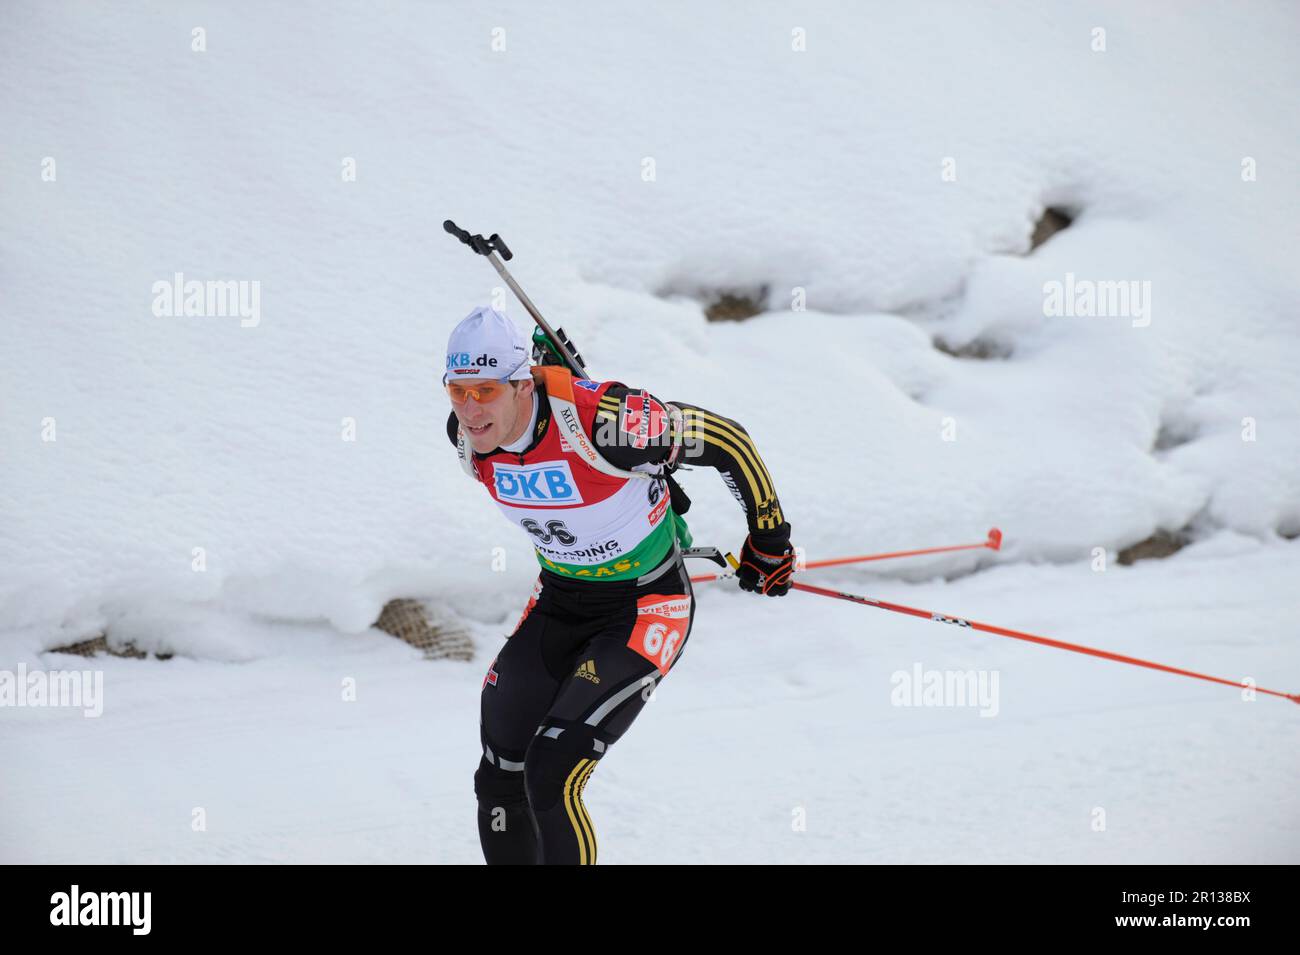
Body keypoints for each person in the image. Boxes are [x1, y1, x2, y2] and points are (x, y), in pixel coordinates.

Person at [445, 305, 795, 864]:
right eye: (456, 391)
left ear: (520, 383)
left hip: (644, 606)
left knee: (552, 771)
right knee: (499, 770)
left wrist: (769, 541)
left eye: (484, 390)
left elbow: (729, 439)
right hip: (560, 601)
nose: (469, 410)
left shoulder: (607, 422)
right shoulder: (467, 439)